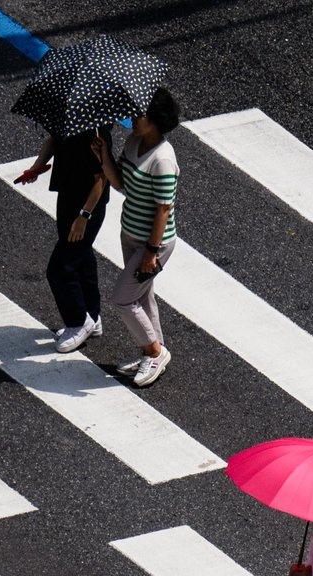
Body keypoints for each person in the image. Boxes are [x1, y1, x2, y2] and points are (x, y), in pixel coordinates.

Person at [92, 87, 180, 388]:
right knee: (142, 295)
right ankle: (154, 354)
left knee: (122, 299)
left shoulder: (163, 160)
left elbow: (163, 210)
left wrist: (151, 251)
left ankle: (154, 351)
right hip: (129, 233)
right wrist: (104, 155)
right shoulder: (134, 142)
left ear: (156, 120)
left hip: (152, 243)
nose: (132, 119)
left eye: (138, 115)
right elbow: (121, 185)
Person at [18, 128, 112, 352]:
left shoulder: (98, 132)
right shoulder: (70, 116)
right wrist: (36, 167)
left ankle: (79, 321)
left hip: (87, 208)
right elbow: (53, 139)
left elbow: (102, 177)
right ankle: (92, 315)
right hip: (67, 193)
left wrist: (84, 216)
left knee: (60, 269)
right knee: (82, 257)